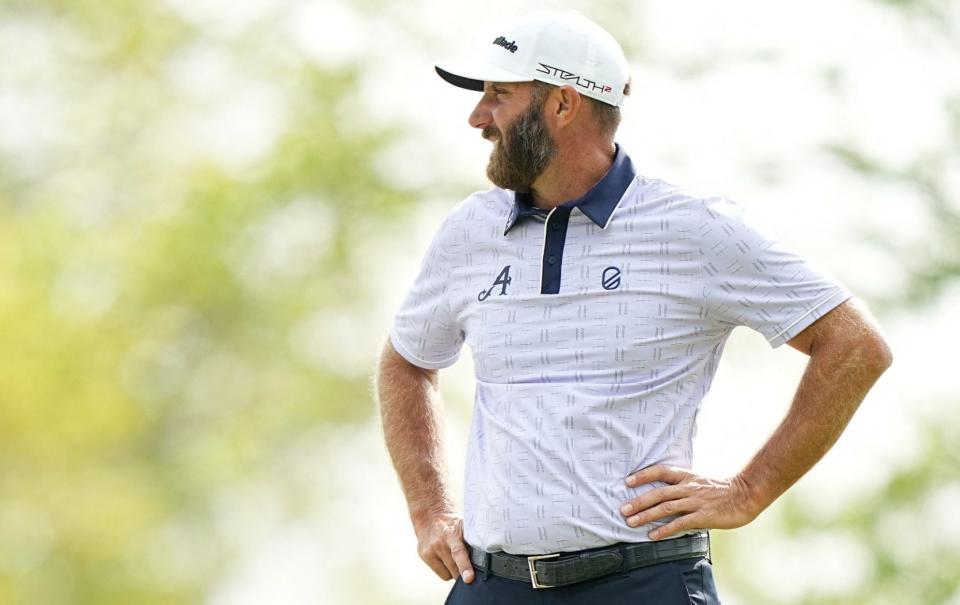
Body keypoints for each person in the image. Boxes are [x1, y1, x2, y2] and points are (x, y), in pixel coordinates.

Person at [375, 10, 892, 604]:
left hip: (644, 585)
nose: (477, 117)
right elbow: (407, 363)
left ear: (563, 103)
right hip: (492, 588)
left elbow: (856, 347)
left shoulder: (692, 227)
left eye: (499, 95)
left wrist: (749, 489)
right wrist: (429, 510)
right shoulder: (468, 230)